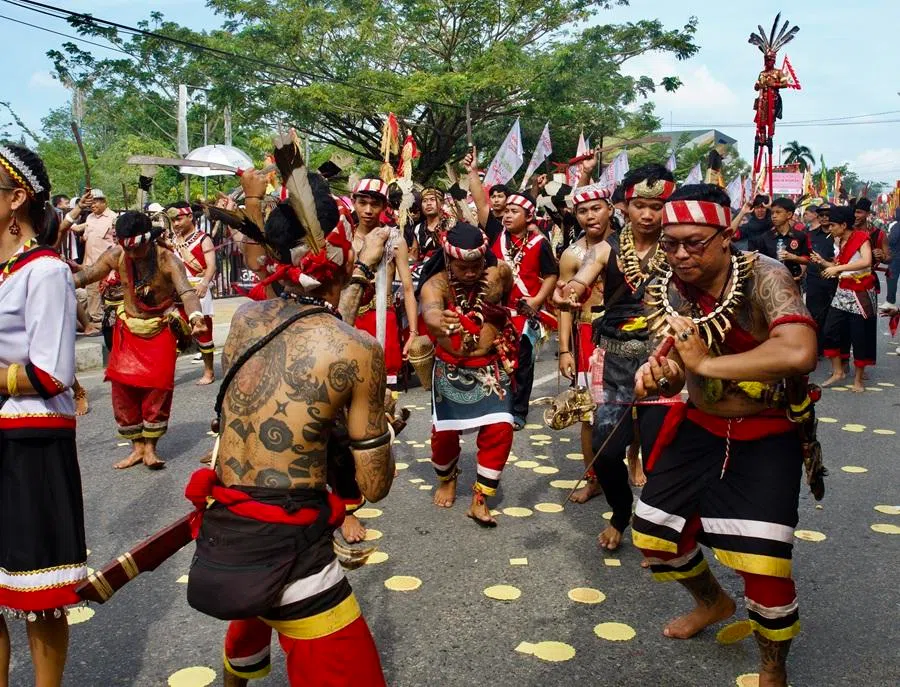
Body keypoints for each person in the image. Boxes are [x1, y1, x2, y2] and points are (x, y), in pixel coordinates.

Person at [186, 170, 393, 687]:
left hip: (227, 529)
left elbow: (308, 325)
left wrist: (361, 270)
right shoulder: (356, 349)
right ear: (334, 255)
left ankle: (238, 676)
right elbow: (372, 487)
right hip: (291, 544)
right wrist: (378, 422)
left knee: (255, 607)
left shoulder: (247, 320)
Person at [632, 183, 818, 687]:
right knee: (654, 531)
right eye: (670, 243)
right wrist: (660, 374)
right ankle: (712, 601)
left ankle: (772, 668)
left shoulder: (766, 276)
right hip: (700, 424)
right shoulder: (672, 283)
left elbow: (799, 351)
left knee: (764, 563)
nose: (679, 254)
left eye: (694, 242)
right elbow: (676, 360)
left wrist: (708, 364)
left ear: (727, 235)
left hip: (766, 430)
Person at [0, 144, 87, 687]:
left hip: (31, 442)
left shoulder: (45, 271)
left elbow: (51, 372)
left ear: (16, 199)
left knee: (39, 591)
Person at [555, 164, 677, 550]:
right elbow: (583, 276)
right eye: (640, 205)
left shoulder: (678, 247)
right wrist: (571, 290)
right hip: (615, 361)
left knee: (660, 459)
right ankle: (621, 514)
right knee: (606, 454)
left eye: (656, 207)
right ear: (625, 206)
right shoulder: (607, 248)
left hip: (663, 363)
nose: (647, 215)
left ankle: (658, 534)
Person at [74, 212, 207, 469]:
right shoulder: (117, 255)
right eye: (128, 249)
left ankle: (150, 449)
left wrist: (196, 317)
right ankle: (136, 448)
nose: (133, 255)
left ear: (150, 239)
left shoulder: (168, 260)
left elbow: (187, 293)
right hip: (128, 330)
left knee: (157, 388)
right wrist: (55, 279)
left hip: (159, 329)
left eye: (138, 248)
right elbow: (88, 275)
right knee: (123, 389)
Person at [418, 222, 518, 526]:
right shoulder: (436, 284)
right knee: (444, 437)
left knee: (501, 428)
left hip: (490, 366)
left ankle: (479, 498)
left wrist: (499, 292)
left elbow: (510, 289)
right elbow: (430, 311)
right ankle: (447, 480)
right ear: (449, 261)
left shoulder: (497, 272)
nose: (472, 273)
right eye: (464, 267)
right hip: (451, 366)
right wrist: (441, 321)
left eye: (477, 265)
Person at [556, 185, 613, 503]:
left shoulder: (626, 247)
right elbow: (564, 306)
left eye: (596, 208)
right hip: (588, 335)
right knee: (589, 414)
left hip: (627, 333)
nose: (590, 216)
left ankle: (632, 462)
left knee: (630, 409)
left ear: (610, 208)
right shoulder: (572, 255)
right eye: (582, 211)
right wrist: (564, 349)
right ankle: (593, 478)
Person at [350, 178, 418, 384]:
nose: (368, 210)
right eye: (363, 203)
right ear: (354, 203)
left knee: (385, 391)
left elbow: (407, 288)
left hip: (383, 321)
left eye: (375, 204)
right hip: (349, 320)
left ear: (384, 206)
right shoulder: (343, 237)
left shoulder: (395, 240)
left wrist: (413, 333)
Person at [814, 205, 876, 392]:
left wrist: (836, 269)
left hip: (861, 292)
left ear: (843, 224)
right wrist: (824, 263)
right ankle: (838, 371)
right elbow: (839, 266)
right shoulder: (839, 241)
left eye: (832, 225)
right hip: (843, 290)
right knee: (830, 330)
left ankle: (858, 380)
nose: (830, 228)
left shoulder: (861, 238)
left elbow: (866, 261)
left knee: (859, 335)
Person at [169, 202, 218, 385]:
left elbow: (211, 265)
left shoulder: (203, 239)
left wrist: (205, 283)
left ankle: (209, 371)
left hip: (198, 289)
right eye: (173, 220)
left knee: (203, 332)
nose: (175, 224)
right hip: (177, 292)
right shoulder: (172, 240)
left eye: (179, 219)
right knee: (172, 335)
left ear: (190, 217)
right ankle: (168, 373)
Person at [70, 189, 116, 324]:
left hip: (106, 264)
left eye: (95, 202)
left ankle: (104, 321)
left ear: (104, 202)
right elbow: (79, 231)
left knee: (107, 293)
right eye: (91, 203)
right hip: (89, 263)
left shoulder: (113, 218)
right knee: (92, 293)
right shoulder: (90, 218)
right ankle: (96, 320)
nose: (93, 206)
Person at [749, 198, 809, 286]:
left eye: (778, 212)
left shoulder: (800, 236)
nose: (774, 216)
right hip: (771, 283)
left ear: (789, 214)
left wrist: (794, 257)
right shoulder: (765, 238)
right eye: (772, 213)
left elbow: (807, 259)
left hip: (793, 282)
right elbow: (759, 262)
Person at [805, 205, 837, 355]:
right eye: (821, 215)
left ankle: (831, 348)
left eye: (828, 214)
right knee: (814, 315)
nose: (824, 217)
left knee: (833, 316)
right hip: (814, 281)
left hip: (835, 281)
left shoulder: (838, 237)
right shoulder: (810, 235)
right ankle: (815, 349)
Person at [412, 187, 450, 261]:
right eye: (424, 201)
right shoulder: (418, 228)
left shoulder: (450, 225)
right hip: (424, 268)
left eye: (432, 199)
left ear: (442, 204)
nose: (428, 203)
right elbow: (414, 254)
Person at [881, 208, 900, 313]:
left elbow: (892, 240)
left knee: (891, 278)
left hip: (896, 256)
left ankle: (890, 301)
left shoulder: (897, 226)